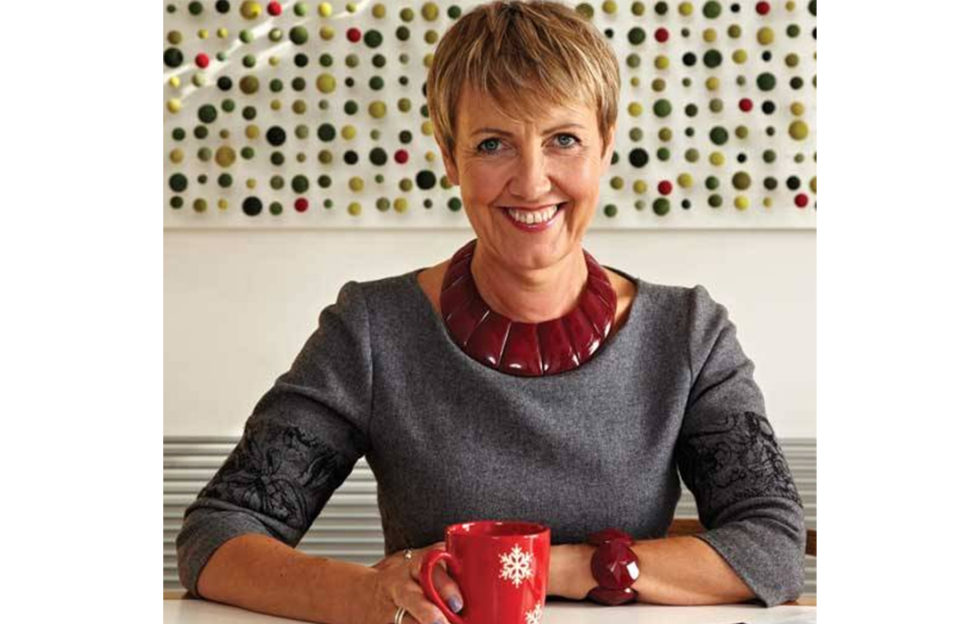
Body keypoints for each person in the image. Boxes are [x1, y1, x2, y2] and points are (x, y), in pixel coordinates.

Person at [175, 2, 807, 623]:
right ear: (450, 157)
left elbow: (773, 546)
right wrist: (366, 595)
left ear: (605, 148)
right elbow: (217, 536)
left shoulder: (688, 334)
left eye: (563, 140)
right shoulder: (372, 330)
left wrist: (553, 568)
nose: (532, 183)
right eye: (493, 144)